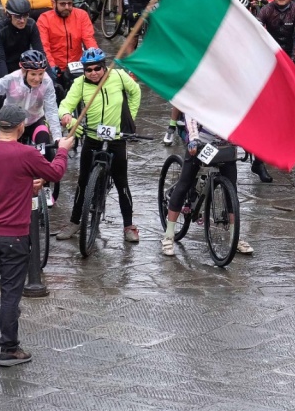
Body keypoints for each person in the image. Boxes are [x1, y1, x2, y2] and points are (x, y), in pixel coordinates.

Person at [0, 105, 73, 367]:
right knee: (11, 292)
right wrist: (64, 149)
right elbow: (55, 173)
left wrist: (25, 185)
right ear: (21, 127)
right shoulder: (26, 153)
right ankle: (9, 348)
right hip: (14, 235)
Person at [58, 48, 142, 243]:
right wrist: (67, 118)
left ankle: (128, 225)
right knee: (82, 181)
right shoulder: (79, 83)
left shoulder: (119, 76)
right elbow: (65, 105)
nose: (93, 73)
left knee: (122, 183)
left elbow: (135, 91)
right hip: (92, 135)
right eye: (89, 70)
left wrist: (130, 119)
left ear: (104, 67)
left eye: (97, 68)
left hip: (116, 137)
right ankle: (74, 222)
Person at [161, 112, 255, 257]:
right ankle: (168, 236)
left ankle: (234, 238)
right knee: (184, 183)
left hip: (226, 145)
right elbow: (191, 111)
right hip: (201, 142)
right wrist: (193, 138)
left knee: (232, 192)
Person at [37, 0, 97, 92]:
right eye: (63, 4)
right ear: (54, 3)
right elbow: (44, 46)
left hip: (76, 65)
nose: (67, 7)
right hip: (55, 66)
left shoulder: (82, 15)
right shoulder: (44, 19)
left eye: (70, 4)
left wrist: (96, 59)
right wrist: (51, 65)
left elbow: (89, 39)